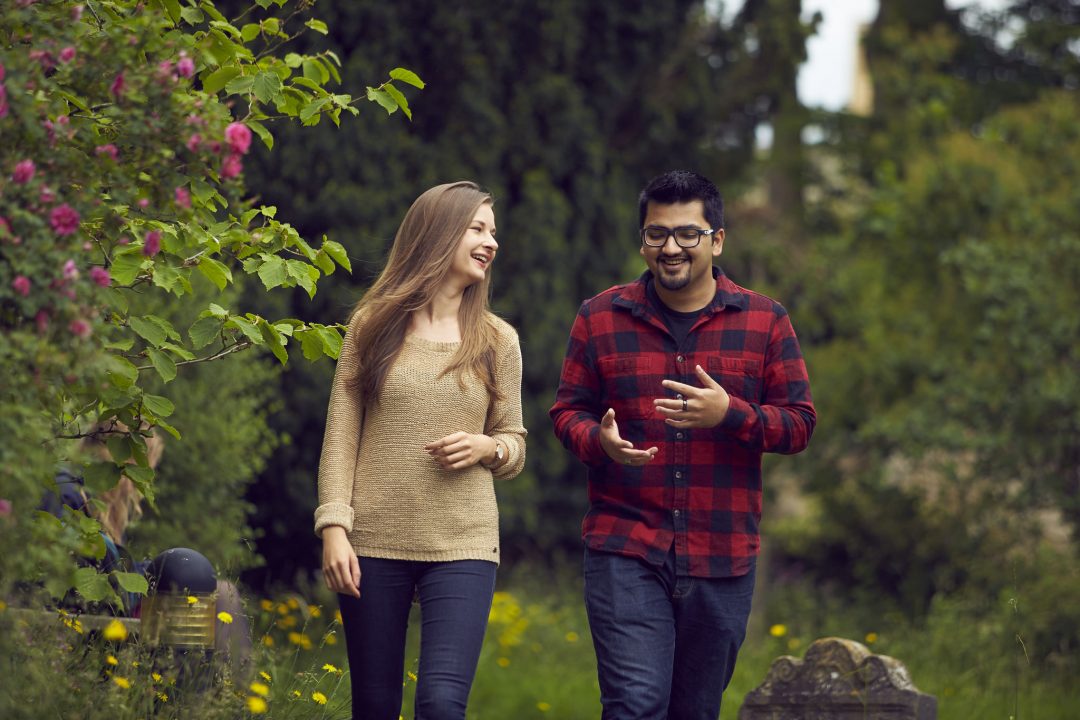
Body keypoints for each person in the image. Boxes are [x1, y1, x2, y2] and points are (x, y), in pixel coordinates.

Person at [550, 170, 816, 719]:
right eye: (656, 234)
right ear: (643, 239)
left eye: (687, 234)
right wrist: (599, 443)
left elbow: (799, 424)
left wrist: (731, 414)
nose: (670, 248)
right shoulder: (599, 318)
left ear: (716, 240)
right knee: (634, 704)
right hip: (626, 545)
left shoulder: (765, 321)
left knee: (695, 711)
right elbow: (566, 414)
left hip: (722, 555)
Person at [315, 181, 527, 720]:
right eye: (478, 228)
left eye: (493, 232)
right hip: (375, 539)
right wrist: (335, 528)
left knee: (440, 704)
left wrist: (487, 447)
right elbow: (342, 434)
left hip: (464, 541)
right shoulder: (372, 325)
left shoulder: (498, 339)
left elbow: (515, 444)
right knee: (376, 705)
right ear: (439, 233)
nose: (491, 242)